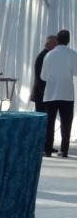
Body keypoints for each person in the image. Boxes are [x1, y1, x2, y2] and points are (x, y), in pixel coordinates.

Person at [40, 28, 77, 158]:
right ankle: (64, 150)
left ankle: (48, 150)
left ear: (57, 39)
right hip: (66, 94)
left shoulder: (49, 55)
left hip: (50, 94)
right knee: (66, 124)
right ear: (68, 40)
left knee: (49, 123)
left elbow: (43, 76)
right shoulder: (73, 54)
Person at [31, 34, 58, 114]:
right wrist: (46, 93)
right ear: (48, 44)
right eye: (55, 43)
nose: (56, 46)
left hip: (44, 94)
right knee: (43, 117)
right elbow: (39, 77)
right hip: (42, 94)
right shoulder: (44, 56)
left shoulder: (47, 55)